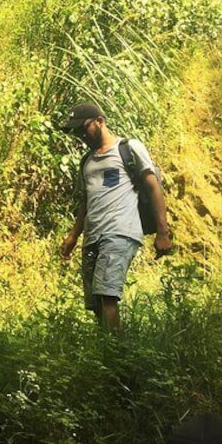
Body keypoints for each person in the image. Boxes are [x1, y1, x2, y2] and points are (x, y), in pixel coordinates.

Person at [60, 103, 173, 333]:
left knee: (107, 295)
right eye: (76, 132)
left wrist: (163, 232)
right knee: (96, 303)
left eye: (84, 128)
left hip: (120, 232)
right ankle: (108, 354)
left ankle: (116, 356)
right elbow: (85, 201)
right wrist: (73, 236)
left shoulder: (128, 148)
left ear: (100, 121)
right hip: (92, 237)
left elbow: (153, 188)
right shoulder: (87, 161)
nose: (81, 135)